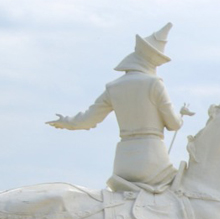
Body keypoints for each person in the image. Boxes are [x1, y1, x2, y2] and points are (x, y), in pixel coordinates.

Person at [47, 22, 193, 193]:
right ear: (153, 60)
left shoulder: (114, 87)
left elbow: (87, 120)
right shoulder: (154, 83)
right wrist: (180, 116)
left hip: (123, 164)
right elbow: (173, 125)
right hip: (152, 161)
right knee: (181, 193)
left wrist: (66, 122)